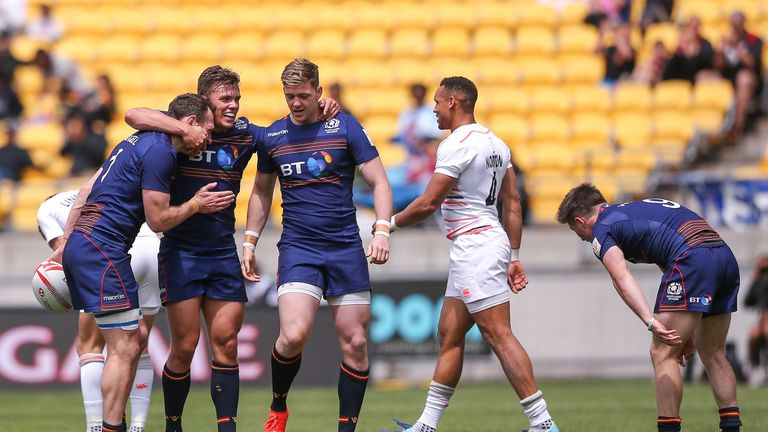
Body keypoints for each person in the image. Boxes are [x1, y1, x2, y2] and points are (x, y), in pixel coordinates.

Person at [123, 65, 340, 432]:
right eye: (226, 98)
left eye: (237, 98)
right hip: (181, 252)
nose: (234, 105)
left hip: (223, 252)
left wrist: (321, 108)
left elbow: (285, 131)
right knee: (185, 347)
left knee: (226, 345)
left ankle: (228, 428)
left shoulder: (245, 134)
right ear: (204, 101)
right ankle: (173, 425)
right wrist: (182, 128)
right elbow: (132, 114)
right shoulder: (178, 126)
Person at [49, 93, 234, 432]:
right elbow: (159, 220)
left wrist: (66, 242)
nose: (208, 139)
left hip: (87, 243)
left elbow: (87, 191)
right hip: (101, 248)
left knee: (128, 343)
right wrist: (196, 204)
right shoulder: (161, 152)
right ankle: (110, 427)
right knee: (124, 347)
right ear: (189, 124)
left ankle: (110, 424)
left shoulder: (138, 139)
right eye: (207, 131)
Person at [385, 76, 558, 432]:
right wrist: (513, 256)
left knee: (498, 334)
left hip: (475, 246)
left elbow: (429, 202)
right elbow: (512, 204)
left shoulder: (456, 145)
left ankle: (542, 424)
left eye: (437, 102)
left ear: (453, 102)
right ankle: (426, 426)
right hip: (484, 242)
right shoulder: (496, 143)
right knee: (449, 333)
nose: (432, 109)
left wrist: (386, 225)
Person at [240, 57, 392, 432]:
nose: (295, 103)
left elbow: (380, 182)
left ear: (319, 92)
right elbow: (261, 191)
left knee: (355, 344)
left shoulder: (344, 127)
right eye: (289, 96)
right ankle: (278, 406)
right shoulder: (273, 137)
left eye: (303, 95)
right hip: (299, 249)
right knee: (293, 335)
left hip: (344, 248)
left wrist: (383, 229)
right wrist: (249, 240)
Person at [556, 183, 742, 432]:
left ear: (580, 221)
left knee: (662, 353)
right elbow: (668, 248)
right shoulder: (634, 210)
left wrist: (650, 321)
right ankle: (732, 428)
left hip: (693, 258)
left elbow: (621, 279)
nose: (582, 237)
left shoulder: (602, 229)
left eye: (577, 232)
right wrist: (684, 330)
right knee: (713, 352)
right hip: (723, 256)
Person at [38, 190, 162, 432]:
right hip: (153, 249)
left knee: (89, 345)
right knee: (139, 342)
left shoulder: (45, 210)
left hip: (115, 254)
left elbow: (64, 254)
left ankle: (95, 426)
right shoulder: (97, 188)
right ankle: (138, 426)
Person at [715, 10, 764, 139]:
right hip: (727, 78)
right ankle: (712, 128)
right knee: (704, 77)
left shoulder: (754, 40)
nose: (735, 28)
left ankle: (738, 126)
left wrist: (737, 46)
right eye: (733, 25)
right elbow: (718, 66)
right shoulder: (725, 40)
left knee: (743, 78)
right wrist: (721, 51)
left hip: (749, 80)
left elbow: (753, 64)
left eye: (737, 24)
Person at [663, 17, 719, 84]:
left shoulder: (705, 44)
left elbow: (708, 62)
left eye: (696, 26)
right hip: (683, 76)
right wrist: (680, 52)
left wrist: (696, 52)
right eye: (692, 27)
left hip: (700, 75)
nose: (693, 30)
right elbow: (673, 66)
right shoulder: (681, 45)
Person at [60, 109, 108, 176]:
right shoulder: (72, 142)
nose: (73, 128)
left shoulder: (97, 138)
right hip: (75, 174)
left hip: (92, 172)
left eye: (76, 125)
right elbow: (63, 153)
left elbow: (100, 155)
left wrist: (82, 138)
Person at [745, 255, 768, 387]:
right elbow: (747, 302)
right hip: (762, 320)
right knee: (753, 336)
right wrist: (755, 279)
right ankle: (754, 367)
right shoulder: (759, 282)